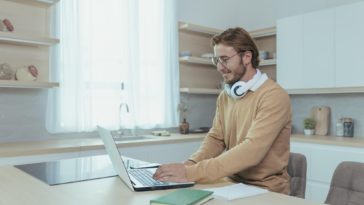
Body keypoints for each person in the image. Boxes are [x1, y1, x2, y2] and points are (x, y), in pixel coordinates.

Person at [153, 27, 291, 194]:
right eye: (216, 60)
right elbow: (216, 138)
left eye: (224, 59)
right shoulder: (226, 96)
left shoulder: (273, 96)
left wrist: (190, 173)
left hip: (267, 191)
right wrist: (189, 163)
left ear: (246, 57)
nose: (219, 67)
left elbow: (251, 151)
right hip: (231, 184)